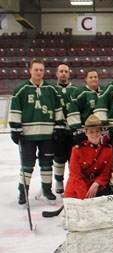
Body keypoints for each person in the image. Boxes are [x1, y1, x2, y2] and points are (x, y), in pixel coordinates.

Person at [9, 59, 65, 204]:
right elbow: (15, 109)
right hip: (28, 135)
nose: (39, 72)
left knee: (47, 164)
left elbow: (58, 109)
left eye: (41, 69)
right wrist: (15, 128)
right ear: (30, 71)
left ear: (44, 71)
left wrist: (59, 126)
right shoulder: (21, 89)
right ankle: (23, 191)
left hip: (47, 134)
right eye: (36, 69)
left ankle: (47, 189)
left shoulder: (51, 89)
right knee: (27, 165)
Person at [64, 114, 113, 199]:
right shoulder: (77, 150)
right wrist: (85, 198)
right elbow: (75, 176)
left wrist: (97, 183)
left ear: (101, 132)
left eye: (97, 131)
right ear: (86, 133)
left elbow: (106, 172)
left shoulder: (108, 149)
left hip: (96, 187)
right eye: (91, 131)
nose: (95, 134)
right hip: (77, 190)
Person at [53, 63, 78, 194]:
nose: (63, 74)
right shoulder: (51, 89)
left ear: (69, 74)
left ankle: (72, 182)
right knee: (59, 157)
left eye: (66, 71)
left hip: (73, 130)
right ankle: (58, 181)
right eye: (61, 71)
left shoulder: (76, 90)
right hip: (58, 130)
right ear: (56, 74)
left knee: (73, 158)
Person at [68, 68, 103, 145]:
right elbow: (73, 111)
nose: (93, 79)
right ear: (86, 79)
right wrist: (77, 129)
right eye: (91, 77)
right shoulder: (79, 92)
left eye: (95, 77)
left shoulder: (104, 92)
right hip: (86, 131)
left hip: (102, 131)